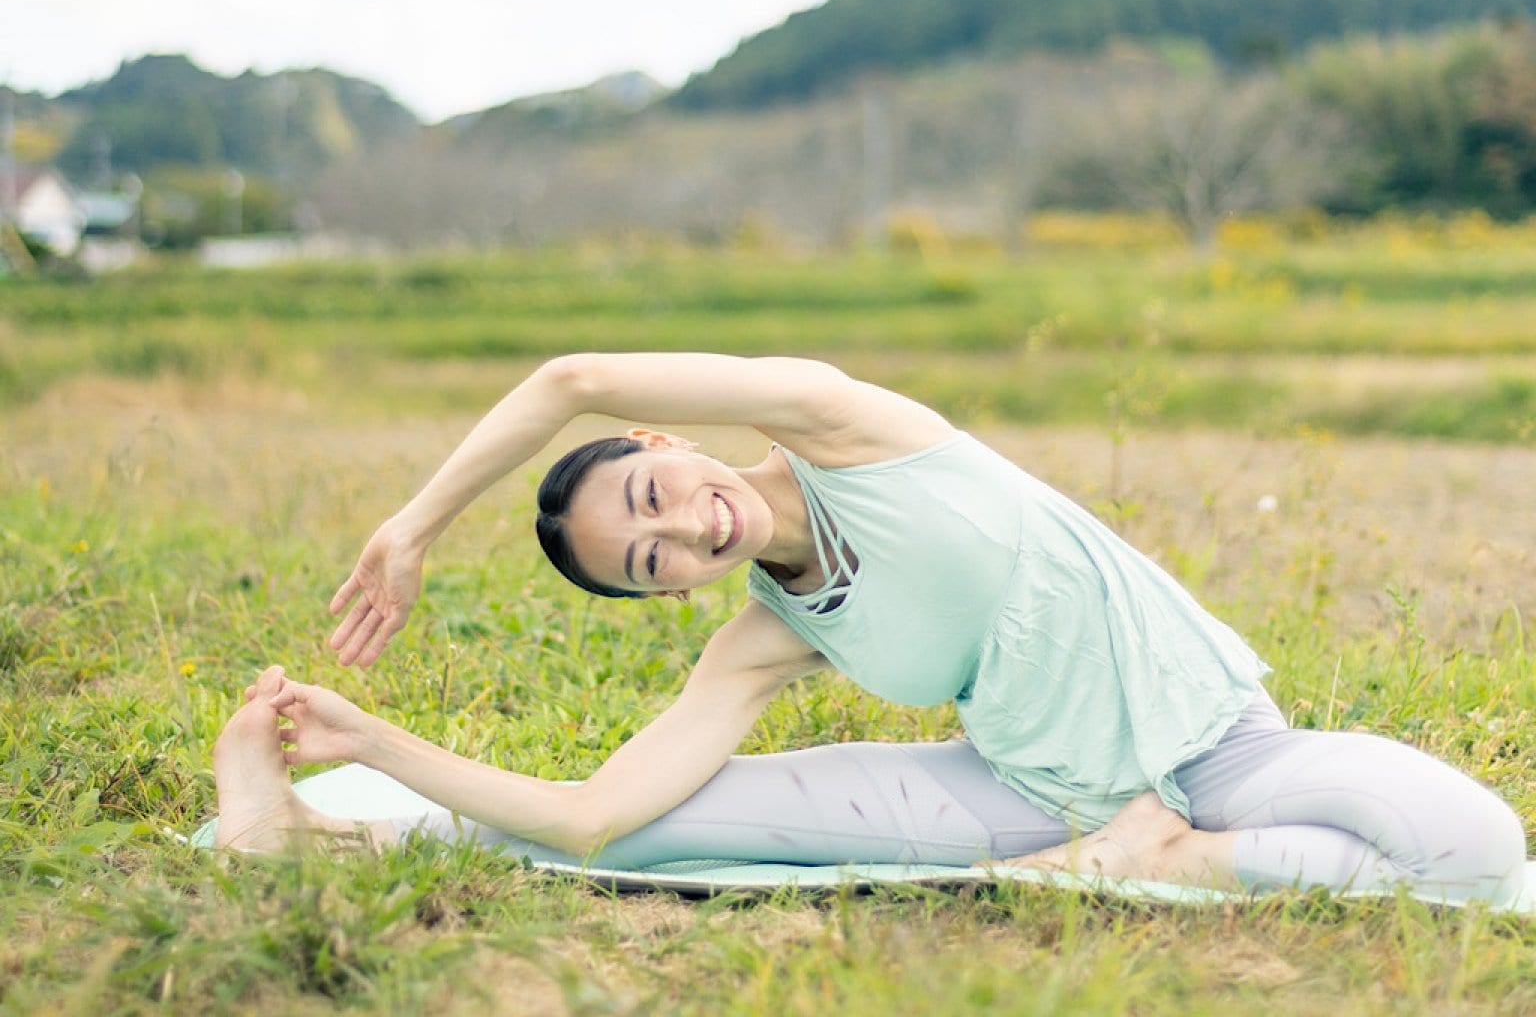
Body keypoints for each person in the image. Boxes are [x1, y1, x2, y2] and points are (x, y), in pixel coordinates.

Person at [211, 353, 1528, 903]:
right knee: (673, 823)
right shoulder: (767, 636)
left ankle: (1177, 855)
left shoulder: (847, 428)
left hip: (1223, 748)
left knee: (1472, 850)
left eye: (654, 493)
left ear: (667, 443)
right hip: (1024, 796)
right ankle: (325, 826)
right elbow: (590, 817)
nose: (686, 530)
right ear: (664, 593)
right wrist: (374, 740)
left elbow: (570, 381)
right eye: (650, 558)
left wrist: (422, 519)